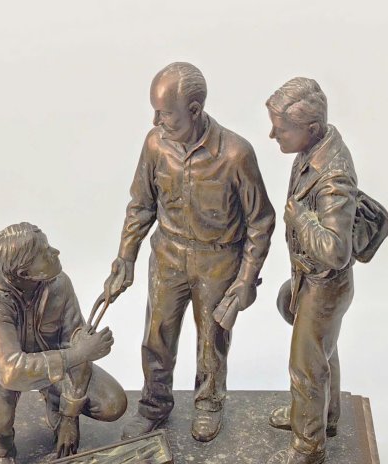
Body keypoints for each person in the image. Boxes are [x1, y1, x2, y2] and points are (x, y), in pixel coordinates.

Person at [103, 62, 276, 443]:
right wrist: (126, 257)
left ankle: (209, 402)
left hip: (218, 261)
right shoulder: (155, 145)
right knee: (157, 334)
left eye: (166, 113)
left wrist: (246, 278)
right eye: (155, 111)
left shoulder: (235, 154)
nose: (156, 121)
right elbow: (141, 205)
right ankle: (154, 404)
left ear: (195, 110)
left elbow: (261, 221)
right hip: (168, 255)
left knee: (213, 337)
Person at [0, 222, 125, 464]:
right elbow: (11, 372)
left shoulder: (60, 284)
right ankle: (2, 452)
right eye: (44, 252)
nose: (55, 252)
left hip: (57, 362)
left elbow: (75, 340)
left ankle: (54, 404)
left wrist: (69, 415)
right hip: (5, 372)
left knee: (112, 403)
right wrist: (79, 353)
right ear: (23, 272)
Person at [260, 78, 357, 464]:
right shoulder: (312, 151)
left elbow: (336, 250)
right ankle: (323, 414)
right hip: (310, 279)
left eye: (282, 128)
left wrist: (301, 218)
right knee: (321, 352)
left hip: (326, 284)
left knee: (305, 365)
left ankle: (307, 445)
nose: (273, 134)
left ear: (311, 129)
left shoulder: (332, 178)